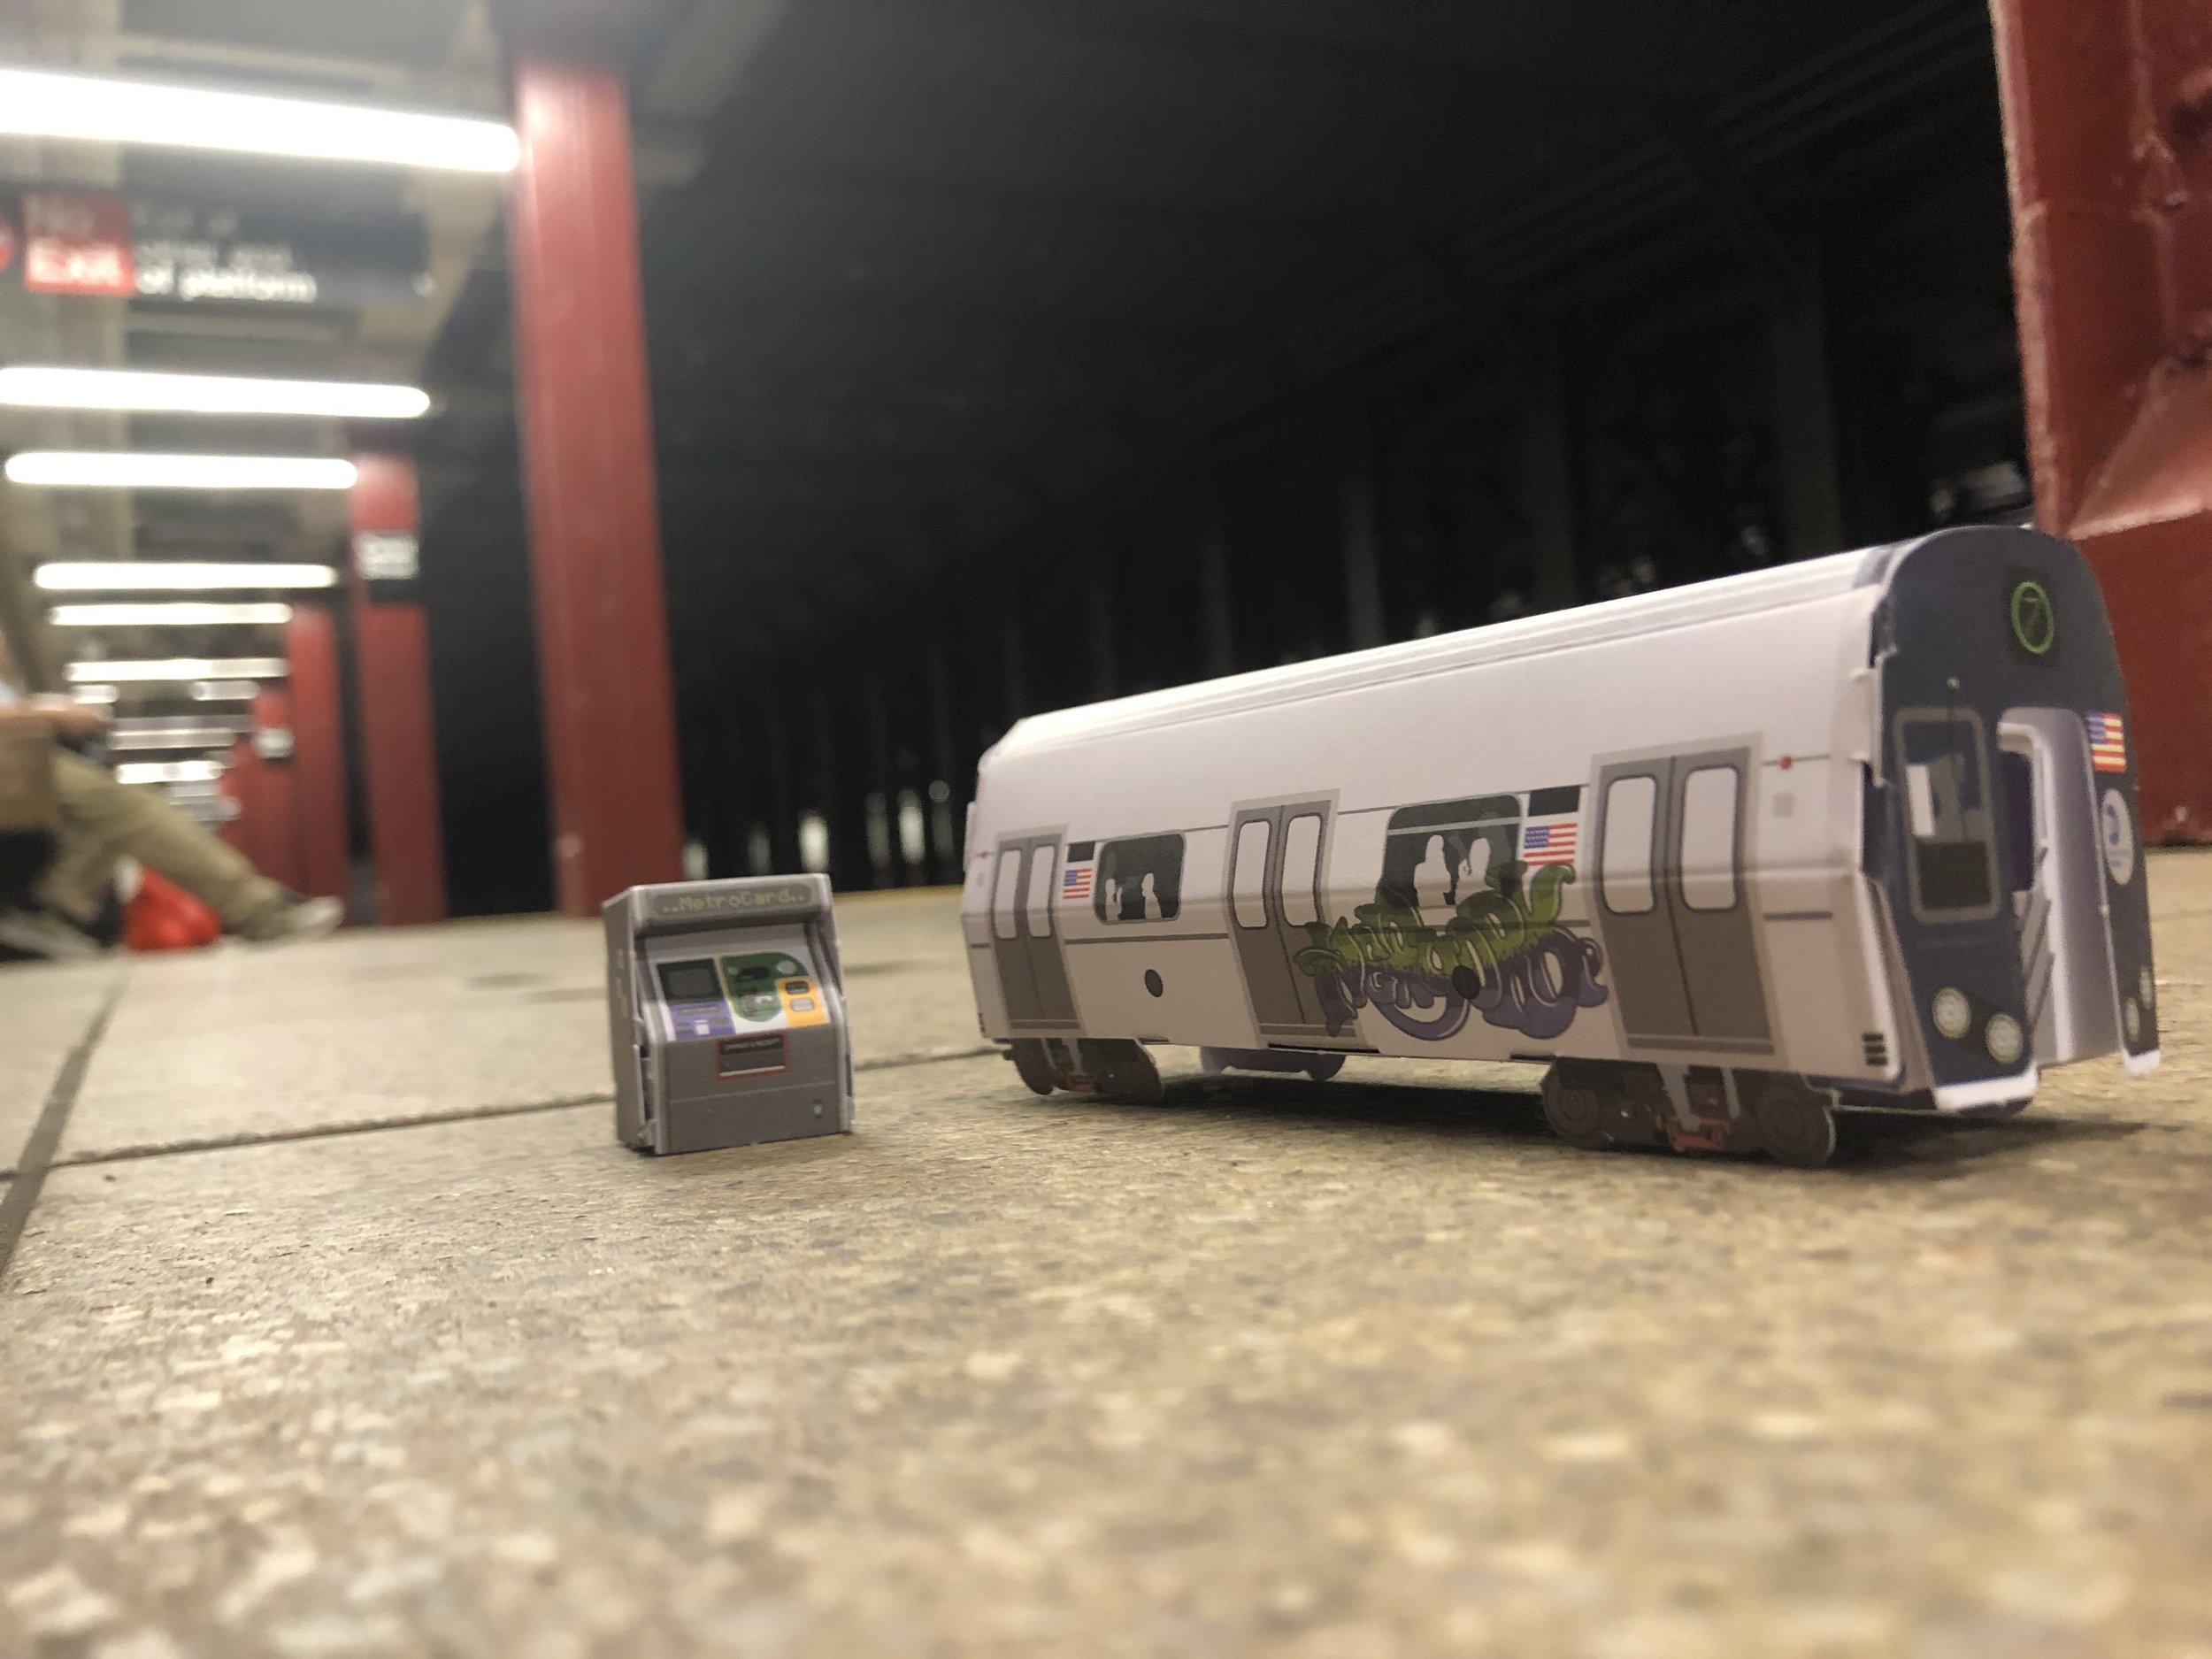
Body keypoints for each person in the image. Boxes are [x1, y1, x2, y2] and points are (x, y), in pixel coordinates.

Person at [0, 630, 340, 958]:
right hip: (16, 758)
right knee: (125, 809)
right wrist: (48, 713)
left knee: (116, 810)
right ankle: (259, 909)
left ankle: (50, 912)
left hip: (25, 762)